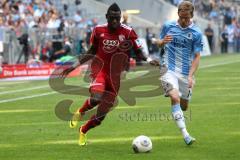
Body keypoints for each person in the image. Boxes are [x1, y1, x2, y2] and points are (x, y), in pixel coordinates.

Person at [61, 3, 159, 146]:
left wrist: (150, 60)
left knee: (101, 115)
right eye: (112, 18)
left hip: (115, 76)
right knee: (96, 97)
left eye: (117, 18)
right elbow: (91, 51)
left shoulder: (128, 32)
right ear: (106, 17)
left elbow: (139, 52)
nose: (114, 21)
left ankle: (83, 130)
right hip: (99, 69)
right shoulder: (98, 30)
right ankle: (81, 111)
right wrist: (73, 66)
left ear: (120, 18)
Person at [152, 1, 203, 145]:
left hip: (185, 73)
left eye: (186, 18)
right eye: (181, 17)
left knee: (184, 106)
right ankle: (186, 135)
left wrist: (191, 75)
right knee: (174, 97)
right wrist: (161, 42)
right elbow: (158, 42)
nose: (183, 21)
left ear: (191, 16)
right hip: (167, 69)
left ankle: (182, 104)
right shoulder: (168, 26)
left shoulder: (196, 33)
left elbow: (197, 56)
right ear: (178, 14)